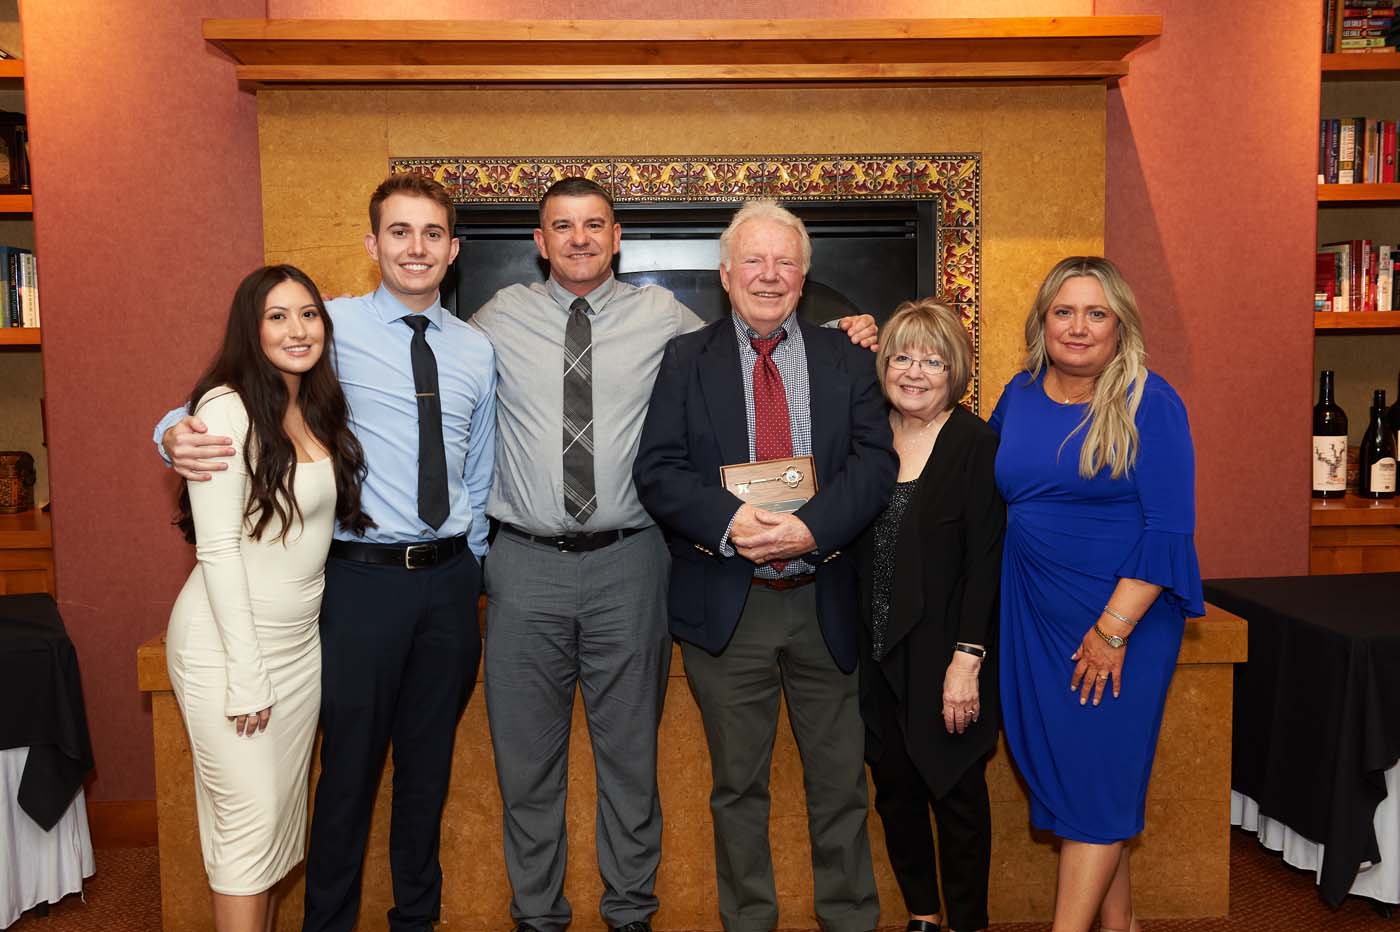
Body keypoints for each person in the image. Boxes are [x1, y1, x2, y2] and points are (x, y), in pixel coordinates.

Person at [468, 177, 879, 932]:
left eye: (595, 224)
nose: (580, 239)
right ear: (540, 240)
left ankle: (631, 915)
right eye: (563, 225)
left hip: (632, 563)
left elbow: (762, 336)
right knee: (526, 766)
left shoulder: (665, 321)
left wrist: (849, 332)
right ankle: (537, 916)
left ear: (618, 236)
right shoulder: (493, 319)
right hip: (526, 562)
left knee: (632, 759)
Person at [157, 174, 497, 932]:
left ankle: (416, 920)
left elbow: (479, 470)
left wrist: (470, 563)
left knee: (427, 774)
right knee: (345, 776)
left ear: (454, 250)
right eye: (399, 232)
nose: (416, 248)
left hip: (448, 585)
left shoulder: (478, 349)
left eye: (433, 233)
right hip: (359, 586)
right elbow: (232, 388)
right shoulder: (324, 325)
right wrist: (170, 434)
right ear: (373, 244)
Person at [633, 200, 896, 932]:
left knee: (840, 785)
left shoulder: (849, 357)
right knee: (737, 790)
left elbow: (875, 465)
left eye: (785, 262)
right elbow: (658, 470)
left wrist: (810, 529)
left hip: (824, 598)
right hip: (730, 600)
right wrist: (731, 522)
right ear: (726, 274)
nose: (769, 275)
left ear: (804, 277)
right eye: (753, 260)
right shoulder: (686, 360)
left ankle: (850, 919)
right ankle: (749, 921)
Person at [989, 256, 1203, 932]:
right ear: (1043, 322)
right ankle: (1122, 926)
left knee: (1099, 780)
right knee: (1086, 783)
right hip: (1033, 616)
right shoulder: (1018, 394)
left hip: (1121, 623)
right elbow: (977, 486)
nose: (1078, 327)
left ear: (1120, 326)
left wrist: (1111, 631)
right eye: (1064, 312)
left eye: (1096, 314)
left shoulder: (1151, 401)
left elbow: (1169, 531)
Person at [165, 264, 372, 932]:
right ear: (249, 330)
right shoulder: (225, 410)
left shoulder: (313, 405)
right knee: (247, 837)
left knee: (277, 829)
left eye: (308, 314)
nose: (297, 329)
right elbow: (218, 550)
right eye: (277, 316)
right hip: (230, 650)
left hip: (298, 651)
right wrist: (247, 672)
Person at [855, 299, 1003, 932]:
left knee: (957, 794)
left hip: (946, 652)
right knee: (895, 791)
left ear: (956, 370)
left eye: (932, 361)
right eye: (901, 357)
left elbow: (985, 563)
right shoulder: (867, 434)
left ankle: (968, 922)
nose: (914, 372)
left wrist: (967, 661)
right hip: (876, 651)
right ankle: (923, 915)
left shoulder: (975, 443)